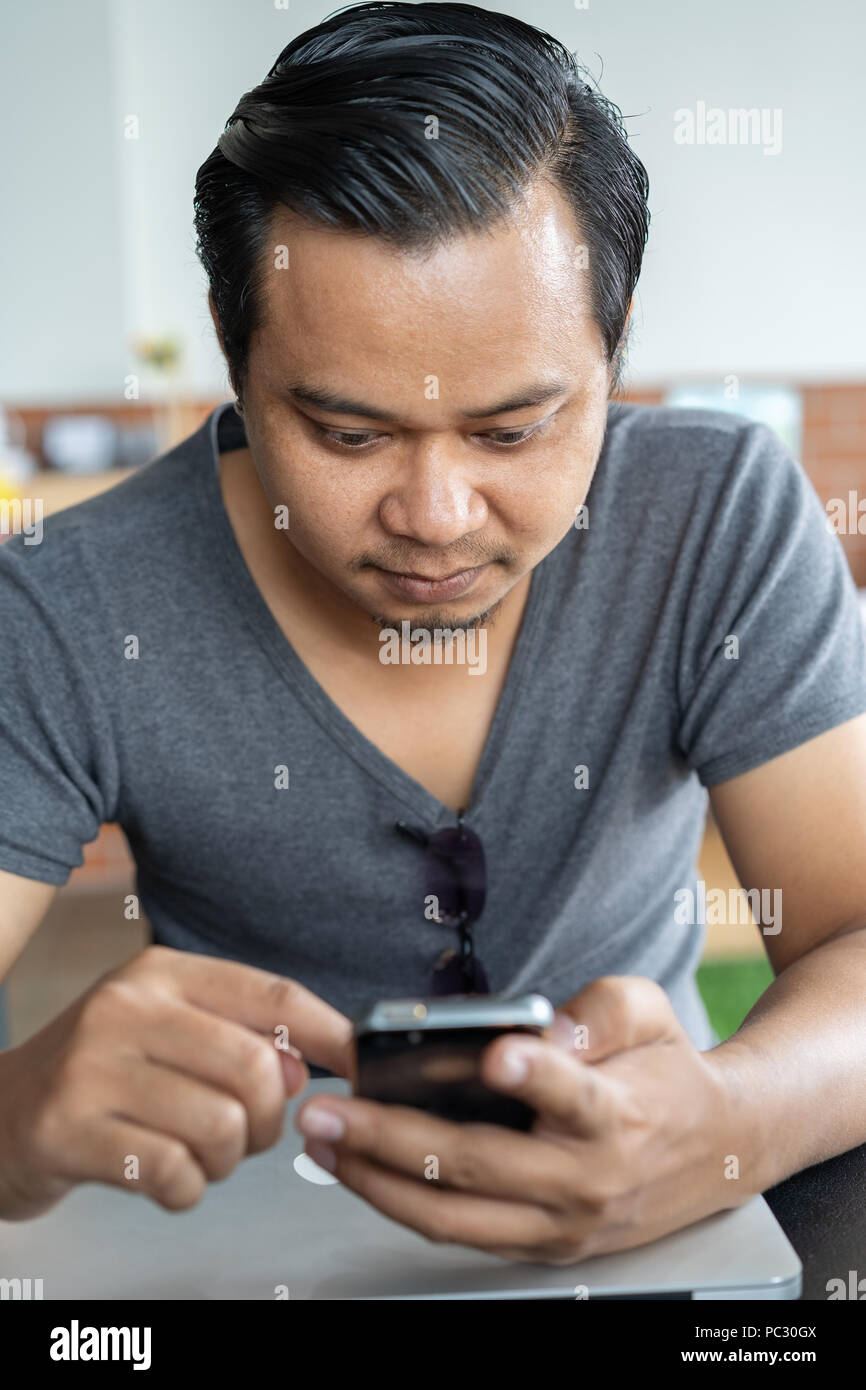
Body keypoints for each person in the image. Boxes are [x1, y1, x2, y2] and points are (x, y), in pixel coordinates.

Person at [1, 2, 865, 1265]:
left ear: (614, 353)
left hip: (666, 1222)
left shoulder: (712, 513)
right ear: (236, 360)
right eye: (347, 435)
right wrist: (14, 1118)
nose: (434, 518)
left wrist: (725, 1121)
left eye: (511, 431)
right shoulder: (67, 604)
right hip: (233, 1247)